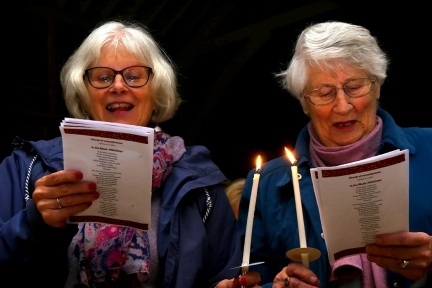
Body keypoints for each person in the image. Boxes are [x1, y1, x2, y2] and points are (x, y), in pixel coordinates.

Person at [0, 19, 246, 288]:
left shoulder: (200, 186)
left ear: (156, 94)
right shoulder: (25, 168)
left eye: (134, 77)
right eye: (103, 77)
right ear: (83, 96)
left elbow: (224, 275)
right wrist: (34, 221)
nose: (118, 86)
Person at [237, 21, 432, 288]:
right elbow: (251, 277)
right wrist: (279, 286)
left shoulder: (430, 148)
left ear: (377, 87)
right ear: (304, 103)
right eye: (324, 93)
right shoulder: (266, 184)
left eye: (355, 87)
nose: (342, 106)